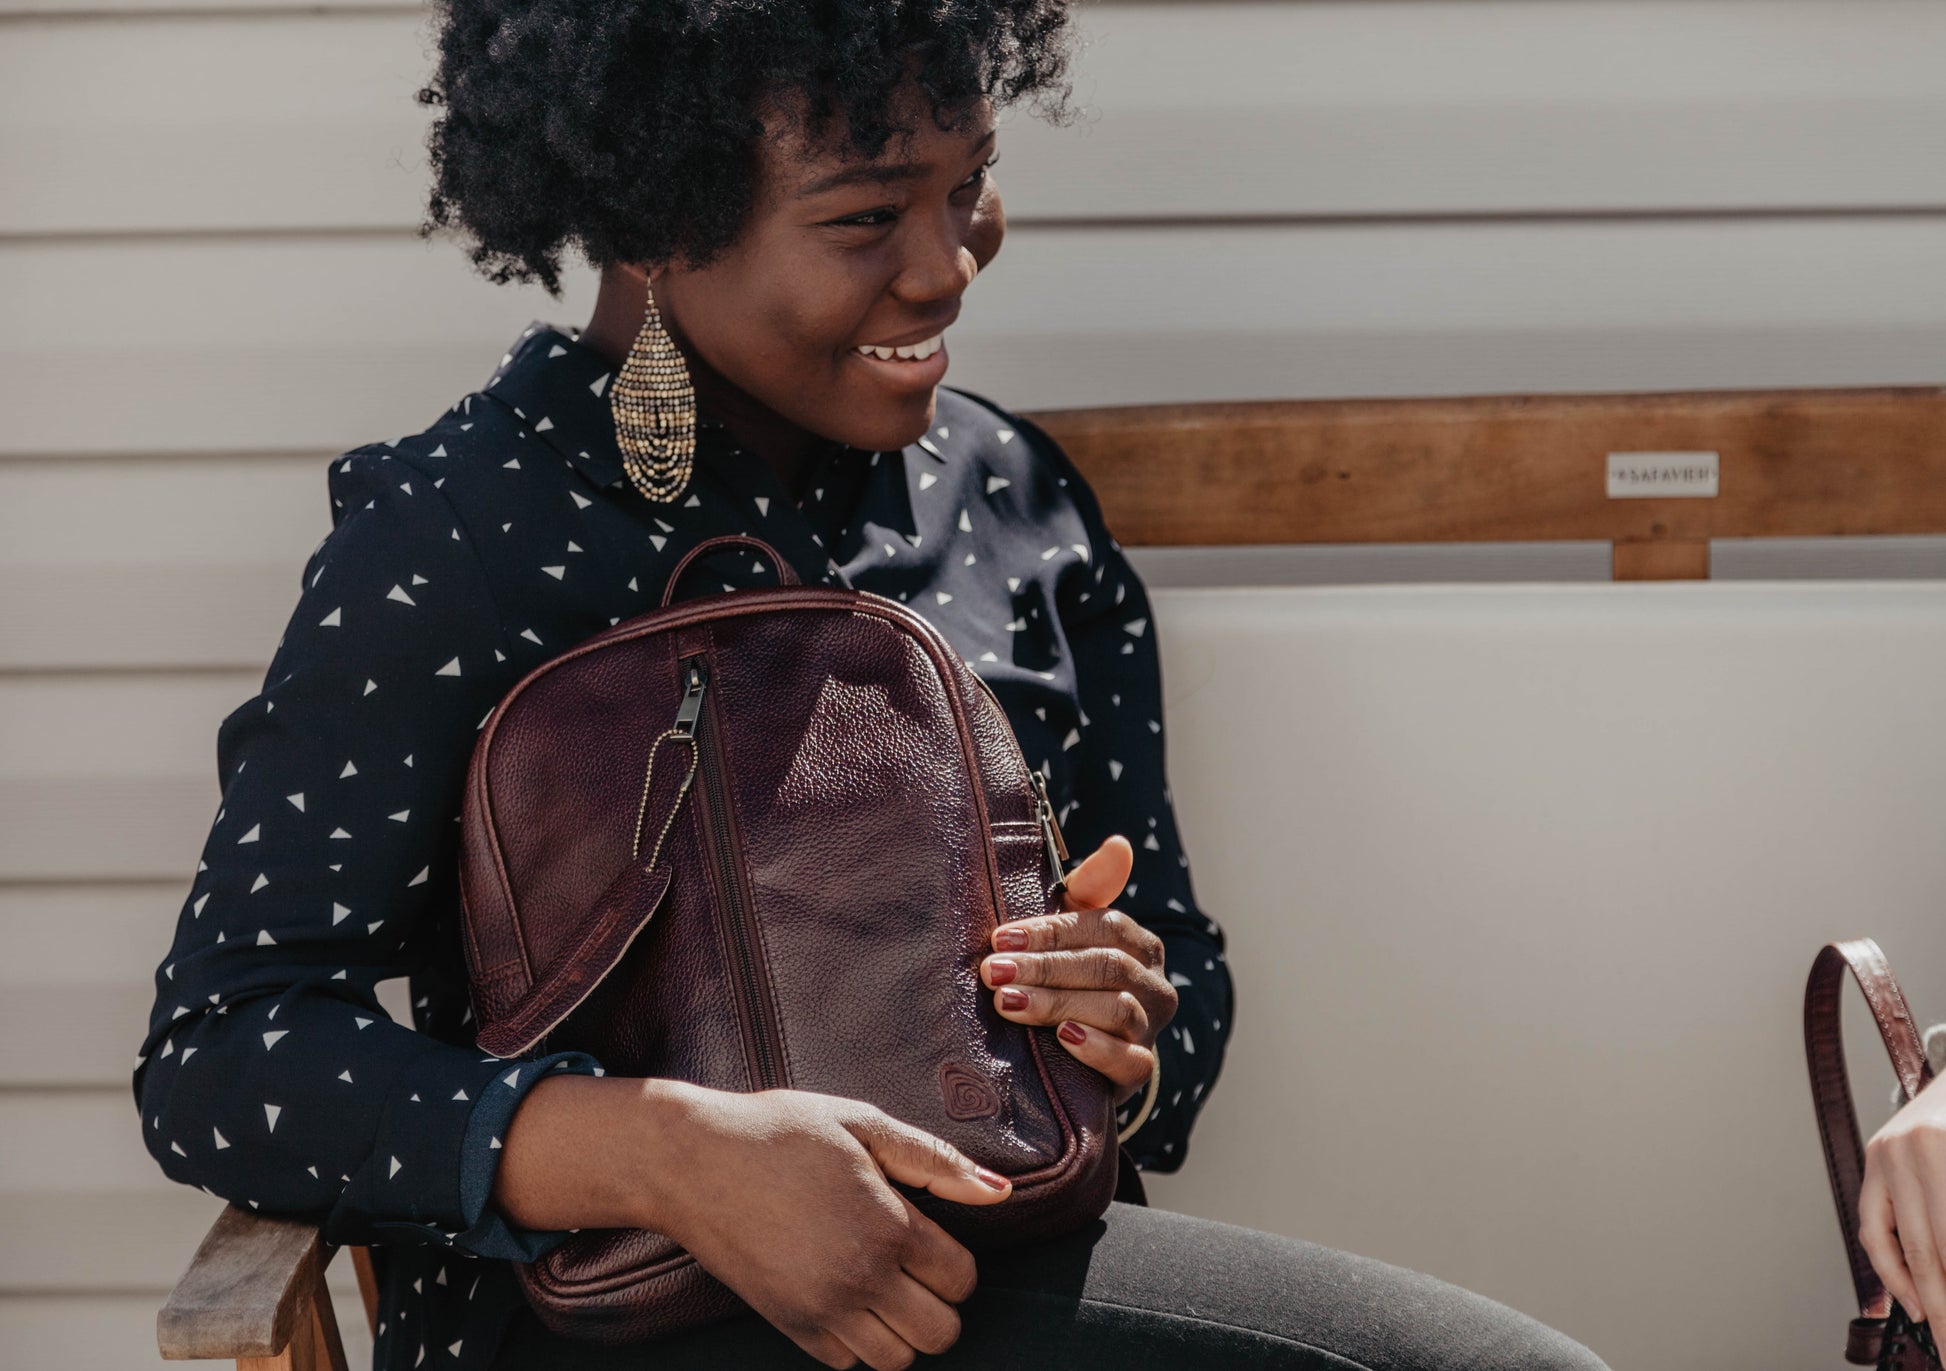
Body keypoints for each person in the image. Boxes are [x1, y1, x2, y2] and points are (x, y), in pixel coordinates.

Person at [132, 1, 1613, 1367]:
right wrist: (668, 1156)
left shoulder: (1009, 494)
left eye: (969, 181)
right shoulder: (462, 531)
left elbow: (1186, 986)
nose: (945, 260)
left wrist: (1119, 1024)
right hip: (606, 1326)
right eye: (863, 216)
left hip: (1001, 1273)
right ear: (655, 219)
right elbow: (224, 1053)